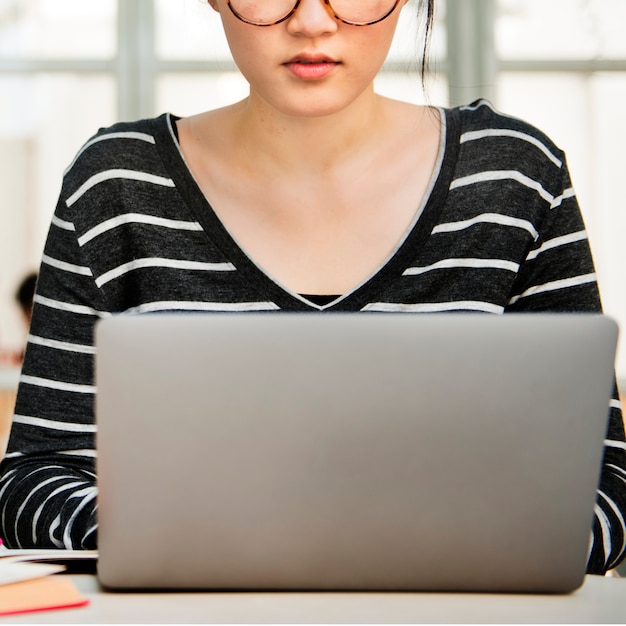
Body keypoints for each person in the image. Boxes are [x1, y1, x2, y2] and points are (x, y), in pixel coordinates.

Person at [0, 0, 624, 574]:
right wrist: (178, 539)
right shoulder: (116, 183)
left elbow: (603, 487)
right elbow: (32, 479)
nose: (313, 22)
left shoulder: (516, 176)